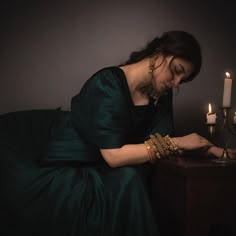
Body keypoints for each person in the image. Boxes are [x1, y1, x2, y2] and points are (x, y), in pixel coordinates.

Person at [6, 30, 235, 236]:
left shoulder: (160, 95)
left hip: (109, 167)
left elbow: (162, 143)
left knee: (134, 178)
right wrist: (180, 142)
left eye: (182, 80)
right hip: (73, 164)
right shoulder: (107, 83)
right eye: (176, 71)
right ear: (161, 53)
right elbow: (114, 156)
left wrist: (213, 150)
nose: (176, 83)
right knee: (128, 179)